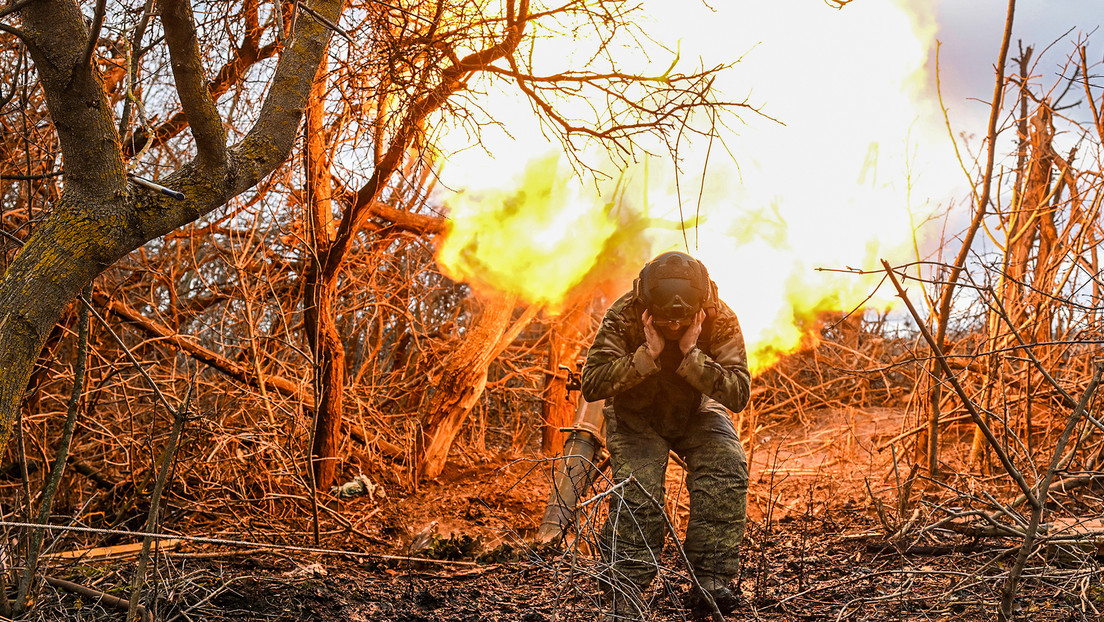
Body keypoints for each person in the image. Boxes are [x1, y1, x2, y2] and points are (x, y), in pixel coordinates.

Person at [580, 251, 751, 620]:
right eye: (665, 320)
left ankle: (711, 582)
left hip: (696, 409)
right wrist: (648, 353)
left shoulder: (719, 317)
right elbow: (591, 384)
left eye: (682, 320)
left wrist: (691, 354)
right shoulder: (623, 315)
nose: (674, 327)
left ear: (700, 307)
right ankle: (625, 592)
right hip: (636, 415)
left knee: (727, 466)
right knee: (639, 489)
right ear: (647, 307)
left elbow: (738, 393)